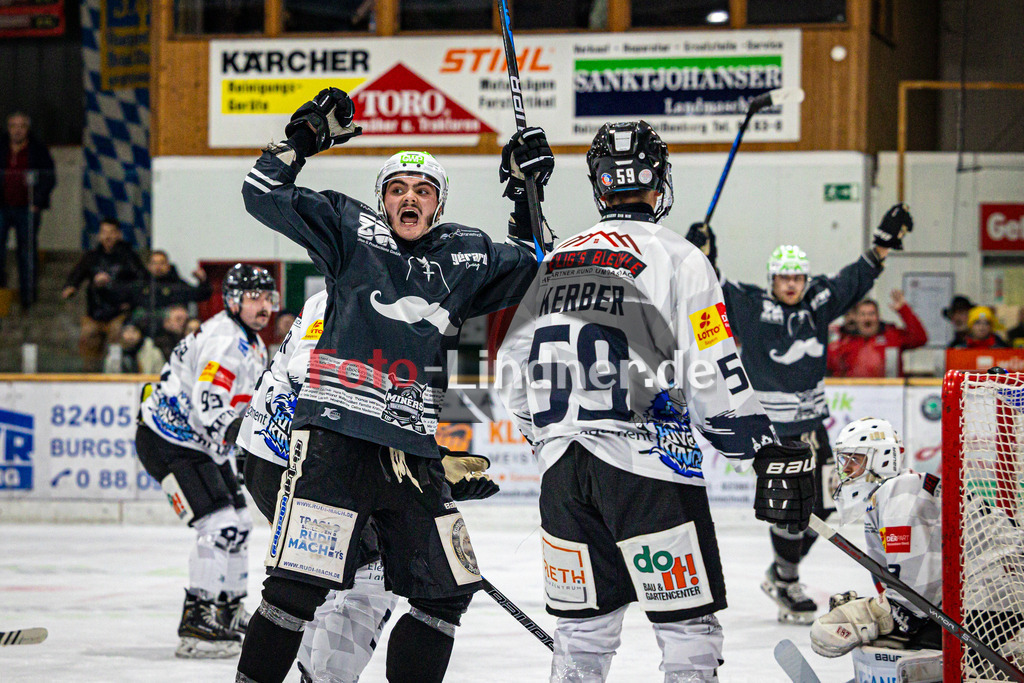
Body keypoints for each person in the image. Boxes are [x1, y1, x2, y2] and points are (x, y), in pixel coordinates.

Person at [235, 86, 552, 683]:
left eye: (423, 190)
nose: (410, 197)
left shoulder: (468, 254)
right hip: (335, 443)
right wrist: (301, 140)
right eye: (398, 189)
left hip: (411, 459)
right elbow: (261, 192)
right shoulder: (351, 232)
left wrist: (526, 194)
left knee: (446, 591)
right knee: (296, 589)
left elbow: (540, 265)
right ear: (383, 201)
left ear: (437, 205)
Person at [497, 120, 814, 682]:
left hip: (563, 476)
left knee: (581, 635)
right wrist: (759, 446)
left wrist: (548, 435)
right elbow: (715, 373)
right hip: (650, 470)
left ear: (599, 185)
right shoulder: (681, 257)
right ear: (658, 181)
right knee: (687, 630)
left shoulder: (556, 260)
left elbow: (511, 373)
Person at [236, 289, 499, 682]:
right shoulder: (343, 290)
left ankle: (321, 674)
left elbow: (401, 409)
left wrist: (428, 469)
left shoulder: (423, 304)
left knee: (391, 576)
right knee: (349, 572)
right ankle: (324, 676)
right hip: (286, 454)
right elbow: (316, 385)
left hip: (349, 458)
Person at [686, 203, 913, 623]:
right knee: (789, 510)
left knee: (826, 507)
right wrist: (701, 256)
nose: (791, 285)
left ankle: (781, 572)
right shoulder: (751, 305)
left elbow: (852, 280)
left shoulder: (817, 302)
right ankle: (786, 582)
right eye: (784, 277)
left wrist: (882, 246)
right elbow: (710, 289)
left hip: (813, 428)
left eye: (797, 277)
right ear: (772, 278)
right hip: (771, 433)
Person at [810, 416, 1024, 681]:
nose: (847, 470)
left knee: (910, 655)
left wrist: (869, 615)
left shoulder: (900, 491)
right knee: (892, 647)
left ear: (882, 459)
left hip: (996, 601)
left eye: (855, 459)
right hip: (988, 599)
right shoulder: (884, 500)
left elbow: (917, 600)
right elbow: (908, 595)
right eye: (845, 461)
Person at [135, 263, 276, 658]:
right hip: (168, 440)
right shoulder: (224, 340)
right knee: (219, 524)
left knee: (239, 525)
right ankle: (196, 625)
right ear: (233, 301)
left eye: (268, 298)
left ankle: (227, 613)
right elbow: (208, 403)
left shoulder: (249, 340)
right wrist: (244, 443)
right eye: (254, 297)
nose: (264, 305)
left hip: (199, 444)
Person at [63, 218, 146, 371]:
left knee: (117, 338)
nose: (107, 237)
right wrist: (71, 286)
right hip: (95, 311)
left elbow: (141, 281)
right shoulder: (92, 257)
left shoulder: (129, 257)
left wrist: (126, 297)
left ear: (118, 234)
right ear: (99, 235)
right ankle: (89, 374)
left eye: (111, 233)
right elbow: (78, 273)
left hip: (119, 312)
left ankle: (118, 370)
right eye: (104, 233)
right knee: (88, 337)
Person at [0, 111, 55, 310]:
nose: (17, 129)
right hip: (3, 207)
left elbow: (49, 177)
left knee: (27, 252)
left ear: (27, 129)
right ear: (8, 128)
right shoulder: (1, 147)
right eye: (13, 125)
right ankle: (1, 288)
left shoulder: (38, 149)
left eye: (22, 125)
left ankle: (28, 297)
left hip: (28, 209)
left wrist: (37, 202)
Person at [108, 249, 212, 335]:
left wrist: (203, 281)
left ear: (168, 265)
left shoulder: (177, 284)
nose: (158, 267)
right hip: (142, 328)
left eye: (162, 263)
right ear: (148, 266)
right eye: (154, 263)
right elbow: (119, 296)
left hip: (173, 329)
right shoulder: (140, 284)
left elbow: (201, 294)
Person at [827, 291, 927, 377]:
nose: (867, 318)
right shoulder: (844, 342)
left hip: (891, 394)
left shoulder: (892, 336)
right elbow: (829, 368)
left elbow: (920, 338)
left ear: (878, 317)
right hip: (854, 396)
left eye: (871, 314)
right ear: (857, 318)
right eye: (863, 314)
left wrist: (904, 309)